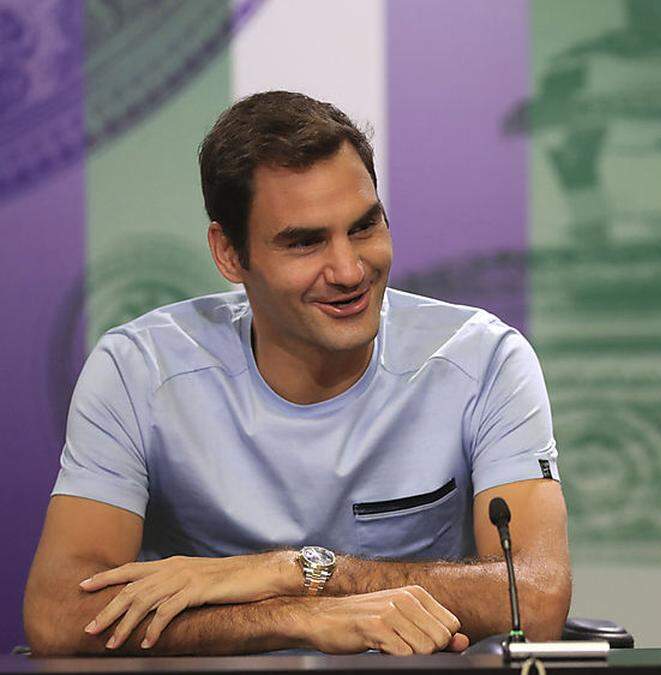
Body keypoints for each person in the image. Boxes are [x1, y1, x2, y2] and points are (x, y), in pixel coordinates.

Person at [22, 92, 571, 656]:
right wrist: (298, 619)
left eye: (364, 227)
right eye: (305, 242)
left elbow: (536, 599)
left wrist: (299, 573)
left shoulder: (484, 361)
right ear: (230, 254)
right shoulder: (138, 371)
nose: (349, 270)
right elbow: (60, 614)